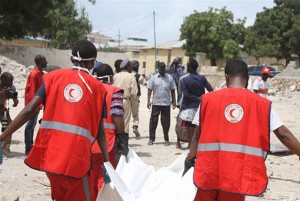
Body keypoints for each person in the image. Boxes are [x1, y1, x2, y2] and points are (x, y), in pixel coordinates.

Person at [0, 40, 110, 200]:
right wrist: (106, 162)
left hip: (51, 159)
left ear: (72, 59)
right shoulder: (98, 89)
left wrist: (2, 137)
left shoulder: (52, 78)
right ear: (93, 62)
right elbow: (100, 130)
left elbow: (29, 109)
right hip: (77, 161)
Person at [184, 59, 300, 201]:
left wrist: (190, 158)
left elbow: (197, 135)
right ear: (247, 78)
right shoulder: (261, 104)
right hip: (236, 176)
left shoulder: (208, 100)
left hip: (209, 172)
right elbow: (283, 134)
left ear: (226, 77)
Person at [89, 63, 128, 200]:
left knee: (90, 178)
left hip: (88, 141)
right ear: (110, 77)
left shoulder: (89, 90)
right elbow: (117, 115)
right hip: (107, 142)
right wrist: (123, 138)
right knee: (106, 177)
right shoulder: (114, 92)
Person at [177, 59, 213, 148]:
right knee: (199, 127)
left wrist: (196, 98)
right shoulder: (202, 78)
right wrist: (202, 98)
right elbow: (211, 90)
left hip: (188, 107)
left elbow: (185, 94)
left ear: (189, 67)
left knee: (189, 127)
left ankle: (190, 145)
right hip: (201, 106)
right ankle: (198, 145)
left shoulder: (184, 79)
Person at [147, 62, 176, 146]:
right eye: (160, 67)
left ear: (165, 68)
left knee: (166, 122)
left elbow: (173, 90)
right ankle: (151, 139)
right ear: (158, 68)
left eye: (163, 67)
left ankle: (166, 139)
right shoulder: (153, 78)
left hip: (166, 104)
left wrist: (174, 101)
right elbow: (149, 90)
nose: (162, 69)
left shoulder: (170, 78)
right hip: (156, 103)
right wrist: (148, 101)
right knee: (153, 121)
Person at [24, 55, 47, 155]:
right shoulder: (34, 74)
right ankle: (28, 147)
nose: (46, 62)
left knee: (32, 125)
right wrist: (35, 106)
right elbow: (33, 91)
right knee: (29, 126)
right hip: (33, 105)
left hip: (37, 105)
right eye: (45, 60)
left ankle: (30, 145)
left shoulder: (40, 74)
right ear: (41, 61)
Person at [113, 59, 138, 137]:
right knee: (125, 123)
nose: (132, 68)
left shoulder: (115, 76)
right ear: (127, 67)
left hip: (114, 100)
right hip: (125, 101)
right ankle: (123, 144)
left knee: (115, 122)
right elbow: (134, 93)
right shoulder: (131, 76)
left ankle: (116, 142)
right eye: (130, 66)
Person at [0, 72, 19, 157]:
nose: (11, 82)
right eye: (10, 80)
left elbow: (13, 95)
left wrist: (15, 100)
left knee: (9, 127)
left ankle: (5, 148)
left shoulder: (10, 87)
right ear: (2, 79)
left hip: (3, 111)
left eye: (12, 80)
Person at [130, 60, 145, 139]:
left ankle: (124, 132)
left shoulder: (128, 75)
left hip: (127, 98)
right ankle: (135, 126)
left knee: (126, 116)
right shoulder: (139, 76)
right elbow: (145, 83)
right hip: (136, 98)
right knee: (135, 114)